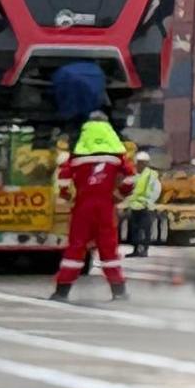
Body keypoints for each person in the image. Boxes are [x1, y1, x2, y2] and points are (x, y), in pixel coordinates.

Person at [50, 115, 132, 302]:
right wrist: (120, 194)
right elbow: (131, 178)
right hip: (105, 206)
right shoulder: (117, 156)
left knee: (75, 247)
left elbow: (63, 177)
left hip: (83, 206)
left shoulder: (77, 155)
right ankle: (118, 290)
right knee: (109, 248)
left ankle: (62, 291)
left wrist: (66, 195)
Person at [123, 149, 162, 257]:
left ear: (146, 163)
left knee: (145, 229)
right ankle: (136, 250)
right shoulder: (135, 174)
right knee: (134, 230)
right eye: (139, 162)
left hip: (146, 207)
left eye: (142, 162)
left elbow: (156, 190)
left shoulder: (151, 175)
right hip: (134, 206)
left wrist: (148, 202)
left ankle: (144, 250)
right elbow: (128, 185)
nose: (140, 164)